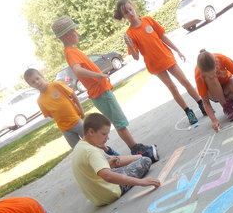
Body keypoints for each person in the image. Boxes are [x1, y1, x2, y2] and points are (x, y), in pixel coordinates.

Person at [51, 15, 155, 157]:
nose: (78, 34)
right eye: (75, 31)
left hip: (101, 91)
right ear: (68, 35)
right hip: (100, 92)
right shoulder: (70, 52)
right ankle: (135, 148)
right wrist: (99, 75)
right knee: (120, 122)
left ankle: (135, 146)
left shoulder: (73, 51)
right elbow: (77, 70)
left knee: (120, 121)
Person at [114, 0, 206, 125]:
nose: (130, 13)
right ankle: (188, 111)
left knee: (185, 81)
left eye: (130, 9)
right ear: (124, 17)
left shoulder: (148, 20)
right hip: (155, 65)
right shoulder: (130, 34)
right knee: (173, 88)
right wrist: (129, 46)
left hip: (166, 57)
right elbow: (136, 57)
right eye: (126, 12)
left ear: (134, 7)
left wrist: (177, 50)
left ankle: (201, 104)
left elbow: (163, 36)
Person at [71, 113, 161, 206]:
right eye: (104, 134)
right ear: (91, 132)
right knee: (145, 161)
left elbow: (97, 170)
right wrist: (141, 182)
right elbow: (108, 176)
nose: (107, 138)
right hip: (110, 192)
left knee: (131, 161)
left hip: (97, 197)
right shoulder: (92, 152)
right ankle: (144, 156)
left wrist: (109, 165)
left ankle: (140, 156)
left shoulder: (80, 146)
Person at [23, 68, 87, 150]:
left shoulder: (56, 85)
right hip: (65, 129)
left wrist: (81, 110)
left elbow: (73, 94)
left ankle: (106, 158)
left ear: (42, 76)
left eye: (37, 78)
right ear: (30, 85)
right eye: (33, 82)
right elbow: (50, 115)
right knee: (79, 150)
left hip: (76, 121)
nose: (37, 82)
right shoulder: (40, 101)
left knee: (92, 142)